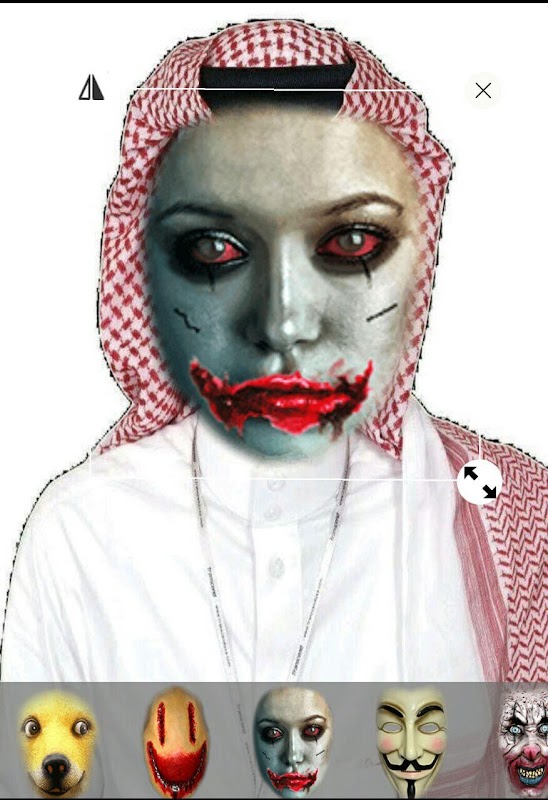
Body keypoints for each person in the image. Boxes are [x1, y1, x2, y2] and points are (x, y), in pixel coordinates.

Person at [1, 19, 546, 686]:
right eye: (216, 249)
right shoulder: (79, 537)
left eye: (348, 243)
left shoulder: (520, 523)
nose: (283, 323)